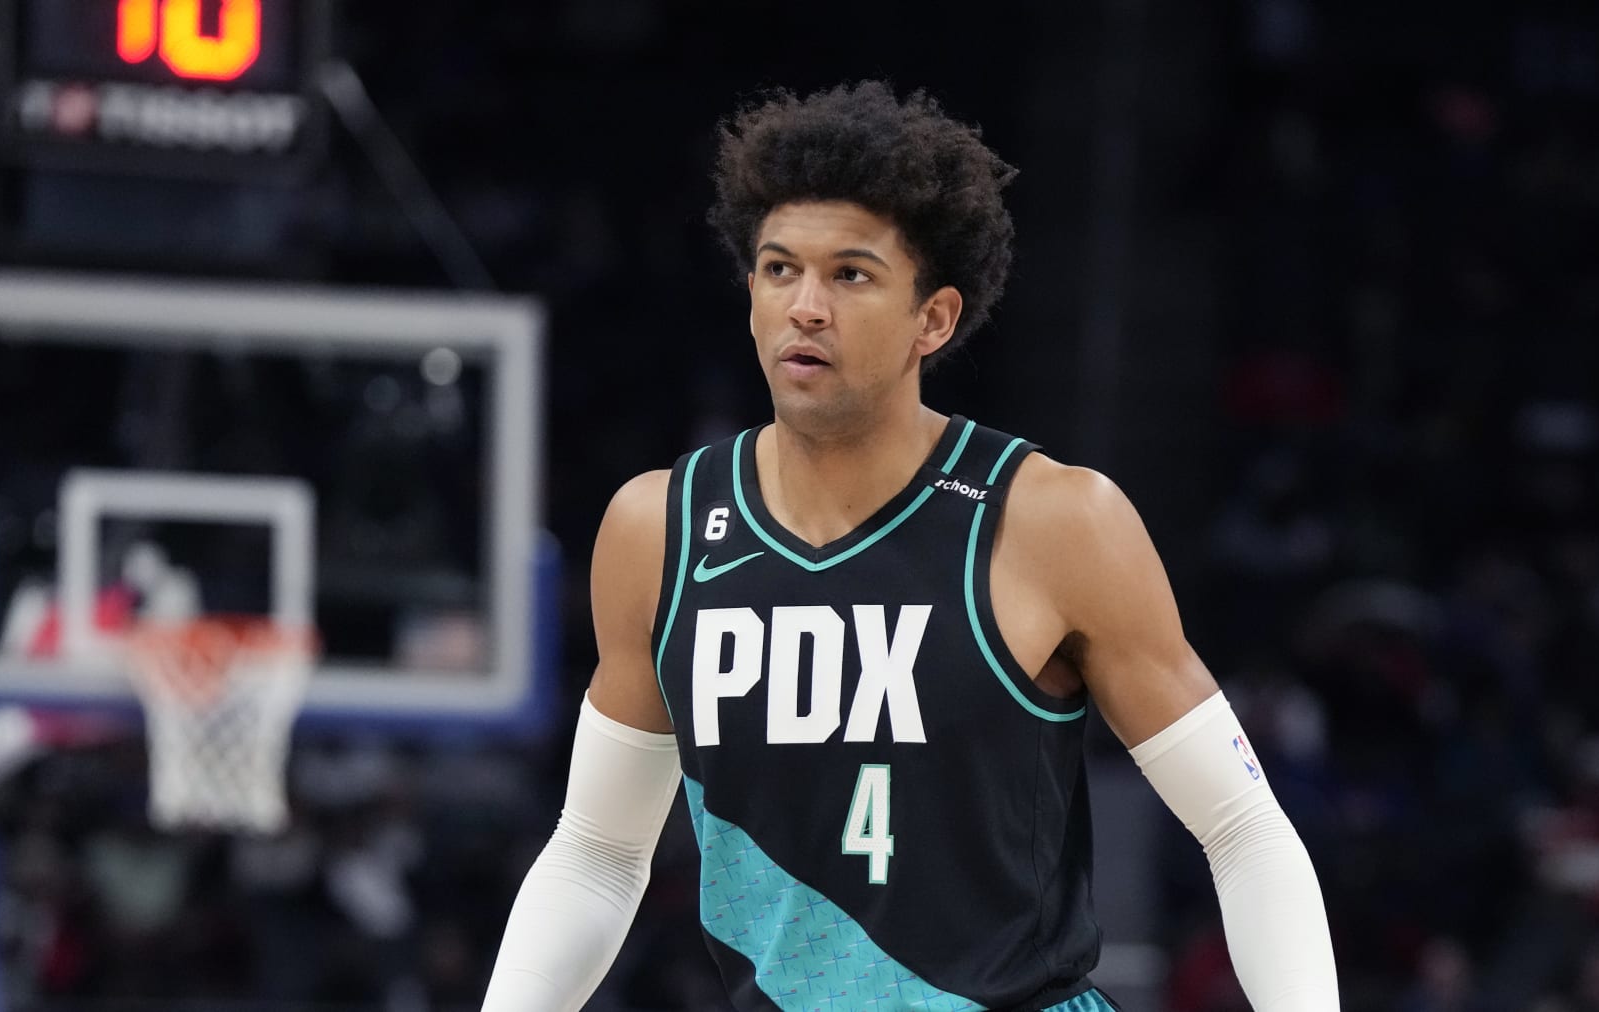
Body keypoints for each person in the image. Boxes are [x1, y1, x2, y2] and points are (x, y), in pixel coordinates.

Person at [484, 81, 1340, 1011]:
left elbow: (1243, 828)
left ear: (932, 318)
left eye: (850, 275)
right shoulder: (660, 527)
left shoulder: (1055, 521)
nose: (804, 306)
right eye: (778, 269)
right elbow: (599, 853)